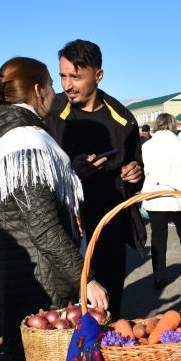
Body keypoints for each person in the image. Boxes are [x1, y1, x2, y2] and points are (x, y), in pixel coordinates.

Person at [0, 57, 108, 361]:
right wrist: (85, 278)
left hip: (19, 278)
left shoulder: (7, 137)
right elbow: (43, 226)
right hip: (40, 287)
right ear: (38, 90)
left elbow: (26, 206)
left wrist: (68, 174)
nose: (55, 91)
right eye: (51, 84)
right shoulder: (25, 142)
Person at [46, 40, 145, 318]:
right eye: (63, 76)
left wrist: (135, 175)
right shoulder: (51, 114)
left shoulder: (122, 118)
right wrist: (70, 173)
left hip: (110, 229)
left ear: (98, 76)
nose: (67, 85)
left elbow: (137, 168)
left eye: (76, 76)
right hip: (66, 233)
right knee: (66, 319)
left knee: (109, 312)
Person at [140, 113, 181, 290]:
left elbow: (146, 170)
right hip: (178, 197)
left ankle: (159, 278)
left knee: (158, 238)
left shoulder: (147, 146)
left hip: (156, 197)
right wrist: (177, 186)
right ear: (172, 124)